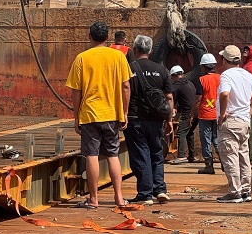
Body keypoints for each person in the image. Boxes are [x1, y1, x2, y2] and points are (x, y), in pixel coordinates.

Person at [65, 21, 132, 209]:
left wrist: (76, 116)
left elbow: (76, 90)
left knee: (91, 155)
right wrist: (124, 112)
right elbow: (126, 85)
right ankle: (119, 198)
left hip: (90, 114)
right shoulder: (118, 57)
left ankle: (93, 199)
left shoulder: (82, 58)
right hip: (111, 113)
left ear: (89, 37)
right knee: (113, 155)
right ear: (107, 37)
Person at [125, 34, 174, 205]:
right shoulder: (162, 70)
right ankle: (160, 189)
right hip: (156, 119)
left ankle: (145, 193)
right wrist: (169, 120)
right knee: (156, 153)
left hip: (135, 118)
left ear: (135, 49)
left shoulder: (129, 68)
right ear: (151, 50)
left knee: (141, 154)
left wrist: (122, 114)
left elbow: (125, 92)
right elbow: (169, 97)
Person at [216, 45, 252, 203]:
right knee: (243, 157)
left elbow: (224, 94)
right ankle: (245, 191)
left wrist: (222, 114)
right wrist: (249, 113)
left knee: (230, 157)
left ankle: (234, 192)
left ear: (225, 60)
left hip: (230, 122)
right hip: (244, 122)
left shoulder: (226, 75)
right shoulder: (247, 74)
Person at [190, 53, 221, 174]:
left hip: (205, 115)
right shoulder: (220, 78)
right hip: (218, 113)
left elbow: (198, 100)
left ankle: (209, 166)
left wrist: (192, 115)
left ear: (204, 67)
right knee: (217, 138)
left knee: (206, 139)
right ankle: (224, 163)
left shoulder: (202, 80)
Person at [169, 65, 197, 164]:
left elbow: (173, 100)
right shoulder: (189, 83)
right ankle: (192, 156)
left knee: (181, 133)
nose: (172, 79)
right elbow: (187, 99)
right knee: (189, 133)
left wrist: (171, 112)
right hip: (196, 111)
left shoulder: (177, 85)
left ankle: (181, 156)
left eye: (172, 77)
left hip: (188, 112)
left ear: (174, 76)